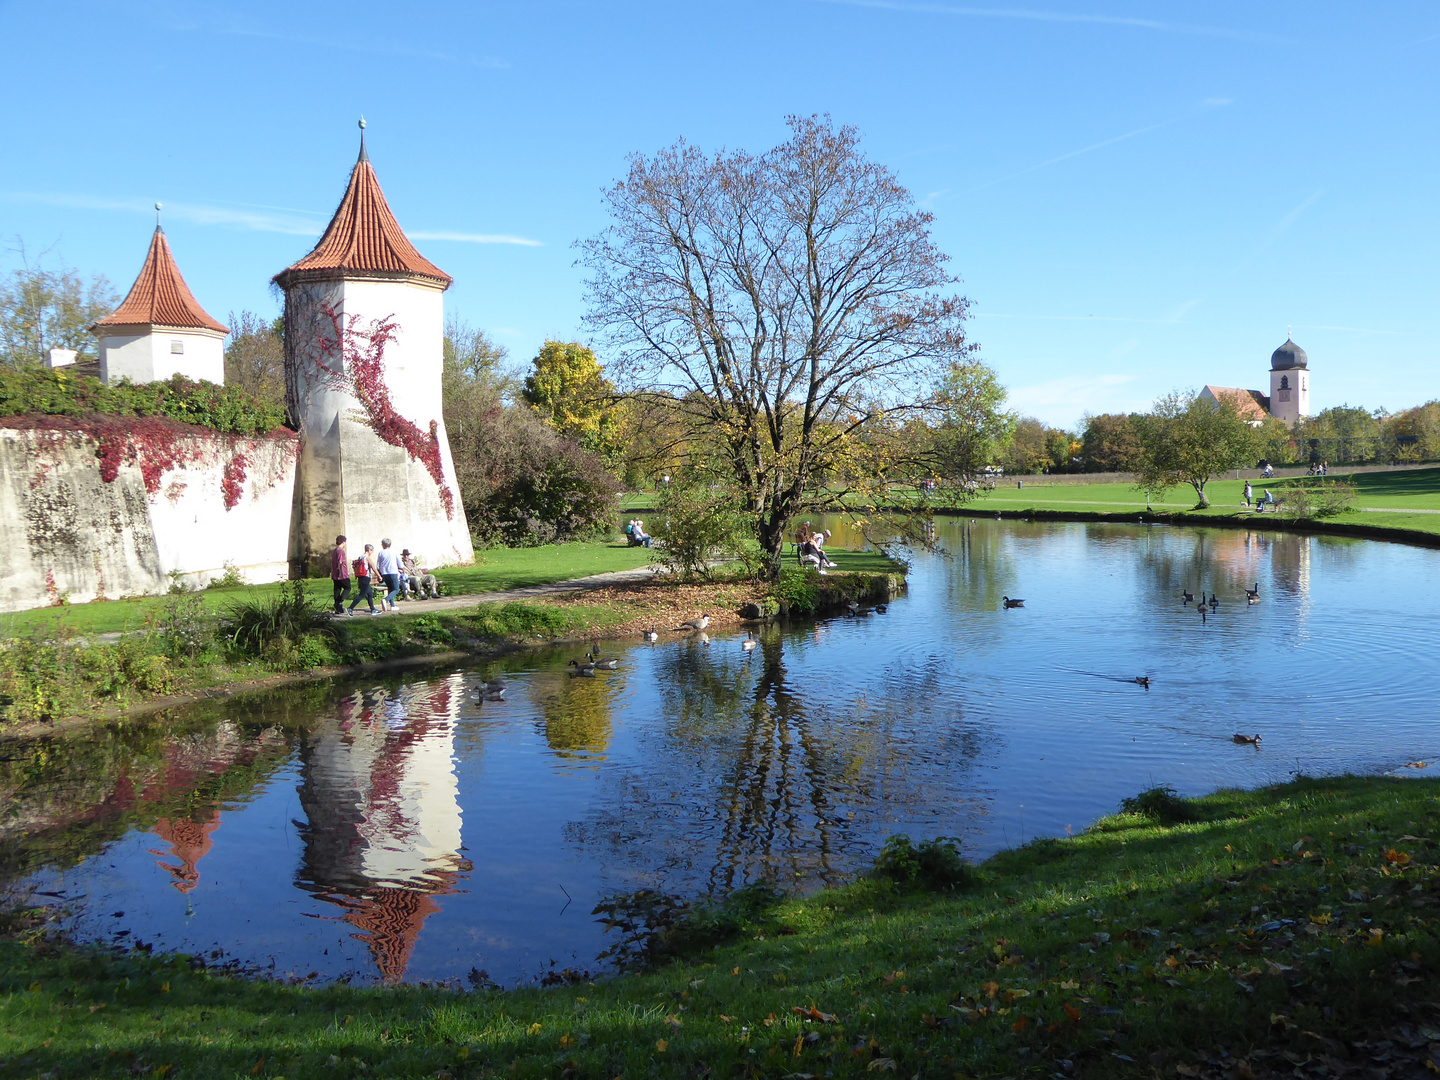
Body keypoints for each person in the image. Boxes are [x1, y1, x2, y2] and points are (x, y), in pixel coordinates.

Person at [348, 543, 378, 615]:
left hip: (360, 578)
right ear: (369, 550)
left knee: (370, 594)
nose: (372, 552)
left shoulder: (360, 557)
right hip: (365, 578)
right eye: (372, 551)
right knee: (362, 595)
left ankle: (373, 609)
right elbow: (373, 567)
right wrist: (379, 576)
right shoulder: (367, 558)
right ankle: (350, 608)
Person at [376, 538, 402, 612]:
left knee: (390, 588)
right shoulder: (394, 552)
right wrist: (401, 568)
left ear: (383, 545)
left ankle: (392, 605)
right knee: (396, 589)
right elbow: (399, 562)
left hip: (384, 573)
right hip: (393, 572)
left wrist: (379, 573)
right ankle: (386, 600)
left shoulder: (381, 553)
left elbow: (378, 564)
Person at [330, 534, 351, 614]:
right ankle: (339, 602)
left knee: (337, 589)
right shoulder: (340, 551)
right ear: (343, 542)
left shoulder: (334, 551)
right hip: (342, 574)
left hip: (335, 574)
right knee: (347, 588)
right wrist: (341, 573)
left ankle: (337, 608)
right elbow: (340, 562)